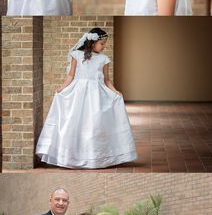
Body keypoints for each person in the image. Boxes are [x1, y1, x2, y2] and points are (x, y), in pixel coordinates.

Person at [36, 28, 137, 169]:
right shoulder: (76, 55)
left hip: (97, 96)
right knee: (75, 123)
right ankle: (72, 157)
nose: (104, 46)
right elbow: (71, 75)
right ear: (93, 42)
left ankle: (96, 157)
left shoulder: (104, 59)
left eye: (105, 44)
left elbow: (107, 80)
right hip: (78, 94)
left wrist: (115, 91)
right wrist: (62, 88)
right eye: (102, 43)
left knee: (94, 125)